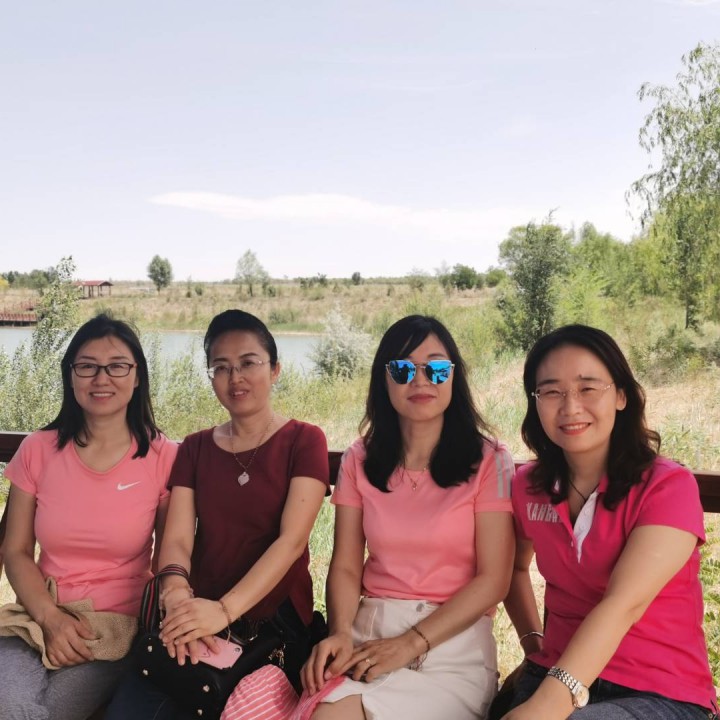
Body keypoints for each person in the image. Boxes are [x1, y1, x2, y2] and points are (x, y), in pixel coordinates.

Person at [106, 309, 330, 720]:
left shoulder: (304, 440)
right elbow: (177, 538)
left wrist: (223, 611)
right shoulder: (195, 448)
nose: (235, 377)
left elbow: (291, 541)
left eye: (248, 363)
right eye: (221, 367)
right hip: (194, 611)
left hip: (271, 624)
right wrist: (177, 596)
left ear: (275, 369)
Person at [301, 314, 515, 720]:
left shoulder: (489, 460)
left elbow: (493, 580)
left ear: (453, 376)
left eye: (436, 369)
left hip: (453, 642)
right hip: (368, 634)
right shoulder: (360, 459)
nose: (420, 381)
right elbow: (346, 565)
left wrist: (411, 643)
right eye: (402, 369)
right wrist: (340, 632)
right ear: (384, 380)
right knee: (331, 715)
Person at [501, 324, 718, 720]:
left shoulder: (667, 487)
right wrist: (533, 642)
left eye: (587, 388)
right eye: (551, 391)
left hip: (657, 690)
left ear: (620, 395)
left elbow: (623, 604)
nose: (570, 407)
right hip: (554, 669)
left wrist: (547, 707)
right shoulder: (528, 486)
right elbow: (514, 567)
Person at [0, 313, 177, 720]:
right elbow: (16, 550)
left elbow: (170, 557)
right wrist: (50, 618)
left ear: (137, 376)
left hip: (114, 632)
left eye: (117, 366)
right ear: (70, 375)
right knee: (9, 703)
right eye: (87, 366)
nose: (101, 378)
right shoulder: (38, 450)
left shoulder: (164, 457)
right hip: (35, 616)